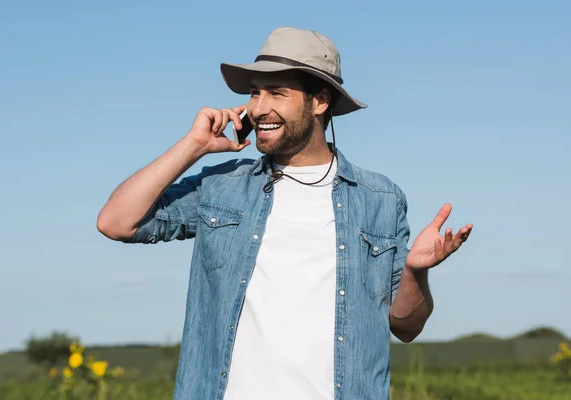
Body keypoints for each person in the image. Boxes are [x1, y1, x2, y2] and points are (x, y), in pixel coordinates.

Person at [97, 26, 473, 400]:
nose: (259, 108)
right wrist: (193, 146)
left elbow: (406, 326)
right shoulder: (223, 187)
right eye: (254, 94)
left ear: (320, 101)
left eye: (277, 93)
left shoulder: (381, 200)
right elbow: (115, 222)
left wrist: (414, 272)